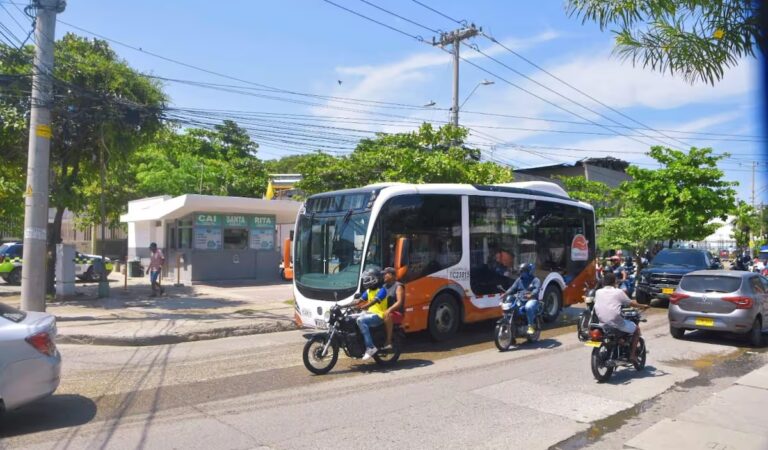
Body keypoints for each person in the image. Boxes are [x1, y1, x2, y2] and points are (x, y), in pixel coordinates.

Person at [594, 272, 649, 364]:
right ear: (614, 282)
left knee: (618, 332)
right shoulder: (618, 292)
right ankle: (632, 356)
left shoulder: (598, 292)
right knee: (636, 330)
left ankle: (621, 342)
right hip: (615, 323)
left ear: (603, 282)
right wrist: (643, 306)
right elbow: (631, 303)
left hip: (602, 324)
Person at [355, 268, 388, 360]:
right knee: (351, 318)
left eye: (368, 279)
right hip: (369, 314)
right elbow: (358, 301)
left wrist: (364, 306)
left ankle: (370, 347)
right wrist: (342, 306)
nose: (365, 281)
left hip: (379, 315)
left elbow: (374, 301)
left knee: (360, 320)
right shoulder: (368, 291)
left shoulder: (382, 290)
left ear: (375, 279)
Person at [507, 263, 541, 335]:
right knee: (510, 306)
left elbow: (536, 290)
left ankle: (530, 327)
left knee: (528, 307)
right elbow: (512, 288)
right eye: (520, 271)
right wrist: (505, 294)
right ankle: (511, 328)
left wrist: (531, 294)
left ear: (528, 272)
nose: (521, 273)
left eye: (522, 271)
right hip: (520, 300)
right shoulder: (519, 280)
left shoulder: (535, 280)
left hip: (532, 300)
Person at [380, 267, 405, 350]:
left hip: (397, 313)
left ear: (391, 275)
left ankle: (388, 341)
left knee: (388, 315)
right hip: (384, 311)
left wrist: (389, 309)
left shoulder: (398, 286)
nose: (383, 276)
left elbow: (399, 302)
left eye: (385, 274)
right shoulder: (384, 286)